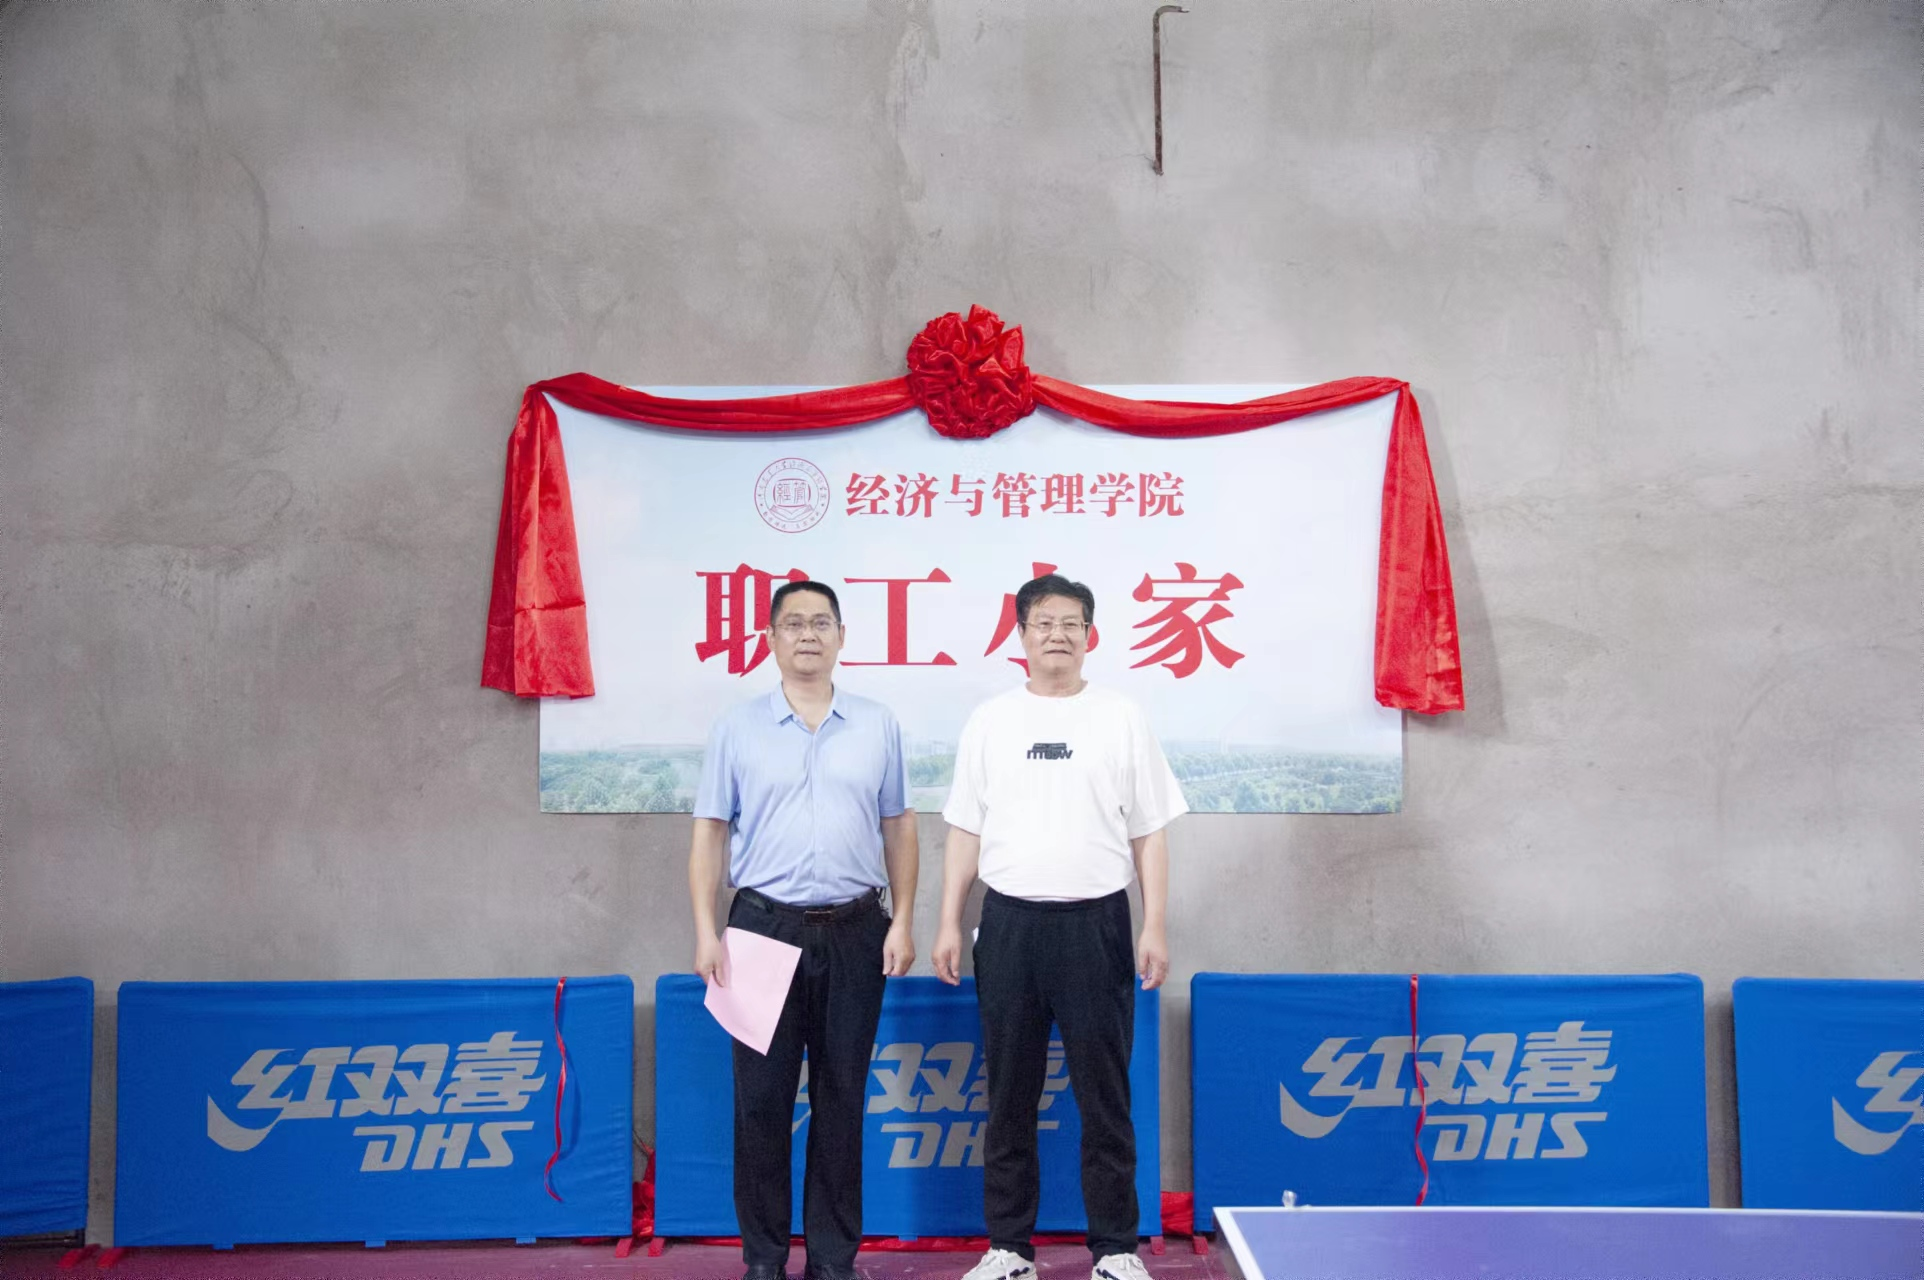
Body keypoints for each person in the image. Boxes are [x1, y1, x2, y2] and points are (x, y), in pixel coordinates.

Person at [932, 573, 1186, 1280]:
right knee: (1008, 1095)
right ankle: (1009, 1248)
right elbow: (964, 830)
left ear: (1089, 636)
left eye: (1072, 623)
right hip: (1009, 925)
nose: (1058, 635)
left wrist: (1154, 925)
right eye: (1044, 622)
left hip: (1096, 925)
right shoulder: (991, 720)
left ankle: (1116, 1249)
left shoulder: (1121, 716)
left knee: (1105, 1098)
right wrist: (949, 920)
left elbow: (1150, 833)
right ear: (1021, 635)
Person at [690, 579, 919, 1280]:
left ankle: (832, 1261)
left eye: (822, 622)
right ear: (770, 639)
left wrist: (904, 920)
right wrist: (705, 931)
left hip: (856, 929)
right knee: (760, 1103)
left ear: (842, 637)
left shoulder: (877, 724)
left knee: (842, 1100)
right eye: (793, 624)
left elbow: (899, 826)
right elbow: (709, 832)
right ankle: (763, 1260)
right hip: (761, 930)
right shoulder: (737, 728)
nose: (808, 635)